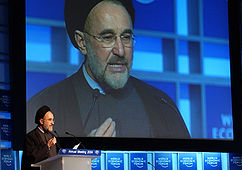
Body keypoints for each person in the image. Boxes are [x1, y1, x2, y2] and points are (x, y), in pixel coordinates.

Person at [27, 0, 190, 138]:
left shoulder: (161, 105)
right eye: (107, 37)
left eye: (126, 37)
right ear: (82, 43)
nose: (120, 50)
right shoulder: (41, 109)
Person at [22, 105, 60, 170]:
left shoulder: (52, 136)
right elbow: (31, 158)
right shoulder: (30, 137)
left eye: (53, 120)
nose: (53, 123)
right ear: (41, 121)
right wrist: (47, 146)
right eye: (49, 120)